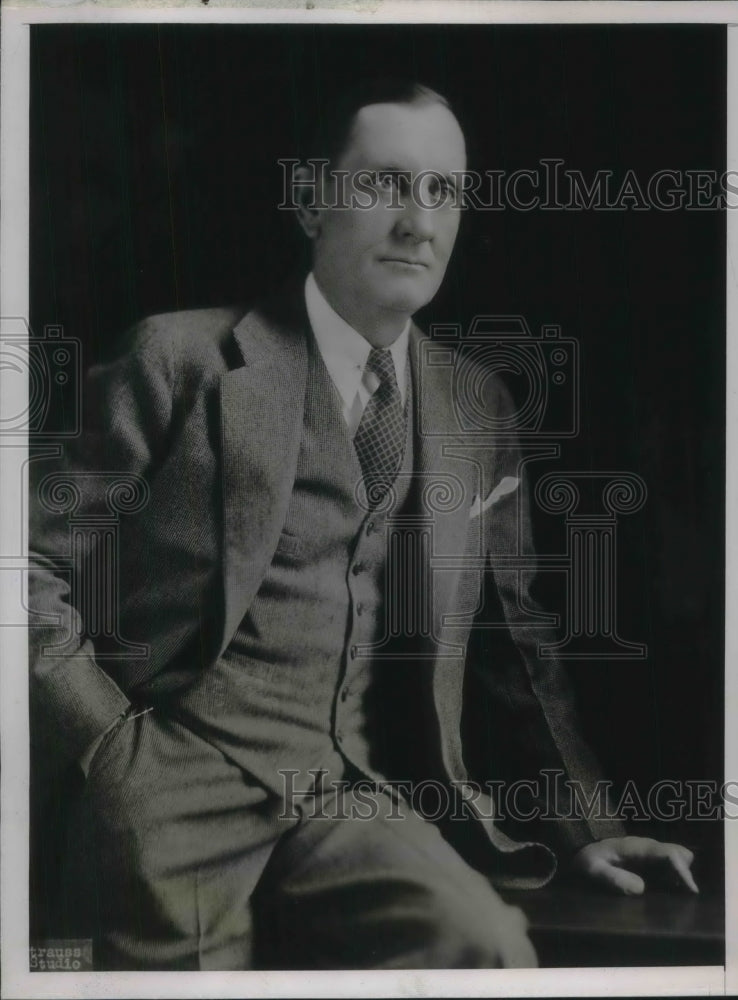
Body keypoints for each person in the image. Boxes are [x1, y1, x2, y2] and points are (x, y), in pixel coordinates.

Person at [28, 78, 697, 971]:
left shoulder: (475, 405)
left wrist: (586, 826)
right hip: (165, 787)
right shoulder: (175, 359)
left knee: (482, 947)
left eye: (443, 190)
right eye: (385, 183)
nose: (418, 222)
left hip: (346, 793)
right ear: (310, 202)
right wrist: (106, 749)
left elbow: (513, 643)